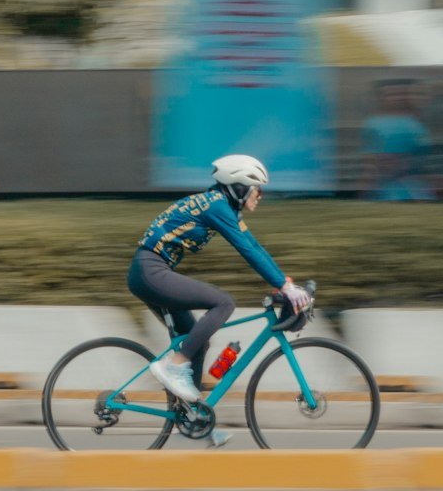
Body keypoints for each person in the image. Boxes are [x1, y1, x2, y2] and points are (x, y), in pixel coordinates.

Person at [128, 153, 312, 447]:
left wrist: (285, 283)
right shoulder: (216, 206)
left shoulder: (217, 205)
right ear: (239, 187)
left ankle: (193, 417)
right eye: (258, 189)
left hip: (148, 271)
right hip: (150, 271)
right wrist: (285, 286)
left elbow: (253, 245)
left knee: (197, 340)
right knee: (224, 303)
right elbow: (248, 250)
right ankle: (172, 367)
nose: (261, 195)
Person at [360, 79, 436, 201]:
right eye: (391, 94)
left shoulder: (415, 123)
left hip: (416, 188)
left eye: (400, 94)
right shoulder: (373, 124)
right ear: (381, 98)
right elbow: (370, 164)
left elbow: (424, 158)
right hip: (387, 190)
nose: (397, 98)